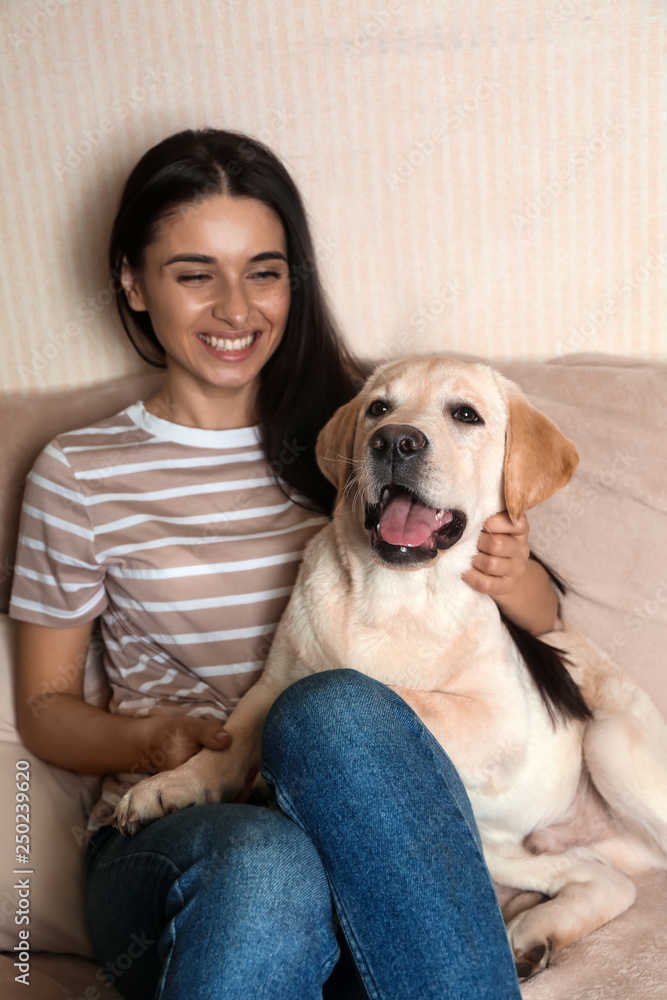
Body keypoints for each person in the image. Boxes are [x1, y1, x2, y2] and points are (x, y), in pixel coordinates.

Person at [9, 129, 558, 1000]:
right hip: (185, 840)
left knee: (330, 712)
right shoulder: (78, 474)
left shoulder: (367, 425)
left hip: (366, 831)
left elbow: (528, 615)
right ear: (132, 282)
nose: (236, 307)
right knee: (262, 859)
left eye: (263, 272)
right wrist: (153, 740)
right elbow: (43, 709)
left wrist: (516, 562)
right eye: (195, 274)